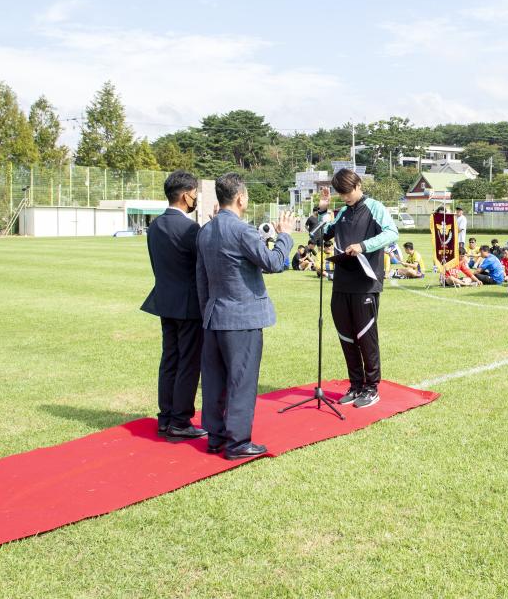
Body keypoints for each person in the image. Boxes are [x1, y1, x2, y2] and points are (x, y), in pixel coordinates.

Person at [197, 174, 294, 459]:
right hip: (243, 317)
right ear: (241, 198)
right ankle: (237, 442)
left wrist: (207, 312)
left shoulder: (206, 230)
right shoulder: (242, 231)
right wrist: (285, 235)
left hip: (215, 315)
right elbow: (274, 263)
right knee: (242, 379)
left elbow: (201, 278)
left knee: (214, 380)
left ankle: (215, 437)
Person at [314, 169, 399, 408]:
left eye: (348, 192)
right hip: (341, 283)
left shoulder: (375, 207)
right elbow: (322, 236)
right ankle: (356, 385)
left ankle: (372, 388)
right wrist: (322, 210)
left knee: (366, 338)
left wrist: (363, 245)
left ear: (358, 185)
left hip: (366, 283)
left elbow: (392, 233)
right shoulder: (341, 212)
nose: (346, 197)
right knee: (347, 337)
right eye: (341, 194)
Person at [140, 171, 207, 440]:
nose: (195, 199)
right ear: (185, 195)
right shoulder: (190, 229)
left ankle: (166, 417)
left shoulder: (155, 226)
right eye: (194, 193)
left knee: (169, 360)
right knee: (189, 363)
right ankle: (180, 420)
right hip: (189, 305)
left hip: (165, 301)